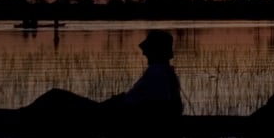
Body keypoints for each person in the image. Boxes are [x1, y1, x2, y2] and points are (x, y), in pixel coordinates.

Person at [23, 29, 183, 122]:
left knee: (55, 96)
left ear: (155, 50)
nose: (143, 52)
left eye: (147, 49)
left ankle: (20, 117)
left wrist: (117, 106)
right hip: (115, 110)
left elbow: (158, 108)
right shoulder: (166, 71)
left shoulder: (157, 72)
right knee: (57, 98)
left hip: (114, 114)